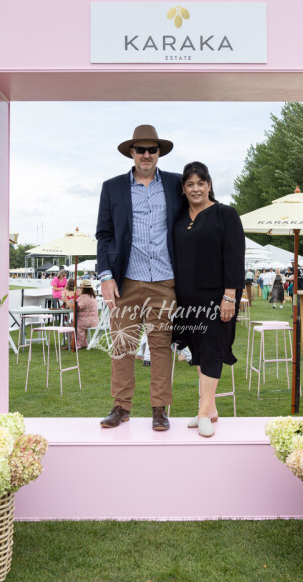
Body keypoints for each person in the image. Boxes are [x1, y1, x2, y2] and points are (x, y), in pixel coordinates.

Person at [96, 125, 184, 431]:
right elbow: (104, 235)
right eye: (141, 150)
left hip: (165, 280)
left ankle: (159, 409)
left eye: (152, 150)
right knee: (123, 345)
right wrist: (106, 276)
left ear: (159, 153)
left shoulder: (176, 184)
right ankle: (121, 407)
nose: (146, 155)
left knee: (160, 347)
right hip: (126, 282)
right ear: (131, 153)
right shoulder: (112, 187)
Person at [173, 162, 245, 438]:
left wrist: (230, 296)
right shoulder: (179, 218)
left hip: (217, 297)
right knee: (200, 353)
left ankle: (203, 413)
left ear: (209, 185)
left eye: (200, 184)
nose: (195, 189)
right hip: (186, 299)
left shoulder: (226, 214)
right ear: (183, 188)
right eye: (190, 184)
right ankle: (211, 409)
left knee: (213, 349)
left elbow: (235, 258)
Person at [65, 280, 99, 348]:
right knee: (74, 323)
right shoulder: (92, 296)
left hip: (86, 321)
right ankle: (81, 342)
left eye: (80, 288)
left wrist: (66, 301)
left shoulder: (84, 297)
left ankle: (75, 344)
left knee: (70, 325)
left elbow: (75, 307)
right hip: (94, 320)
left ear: (83, 288)